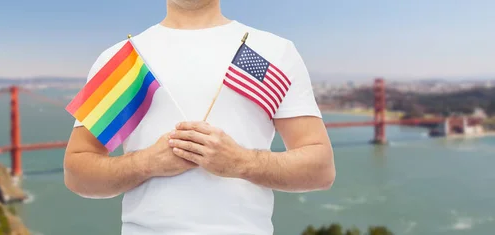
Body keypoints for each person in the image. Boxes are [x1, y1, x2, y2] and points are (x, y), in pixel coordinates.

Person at [63, 0, 336, 234]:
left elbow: (320, 168)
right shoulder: (123, 58)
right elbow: (77, 172)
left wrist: (240, 161)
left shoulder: (275, 51)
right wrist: (146, 163)